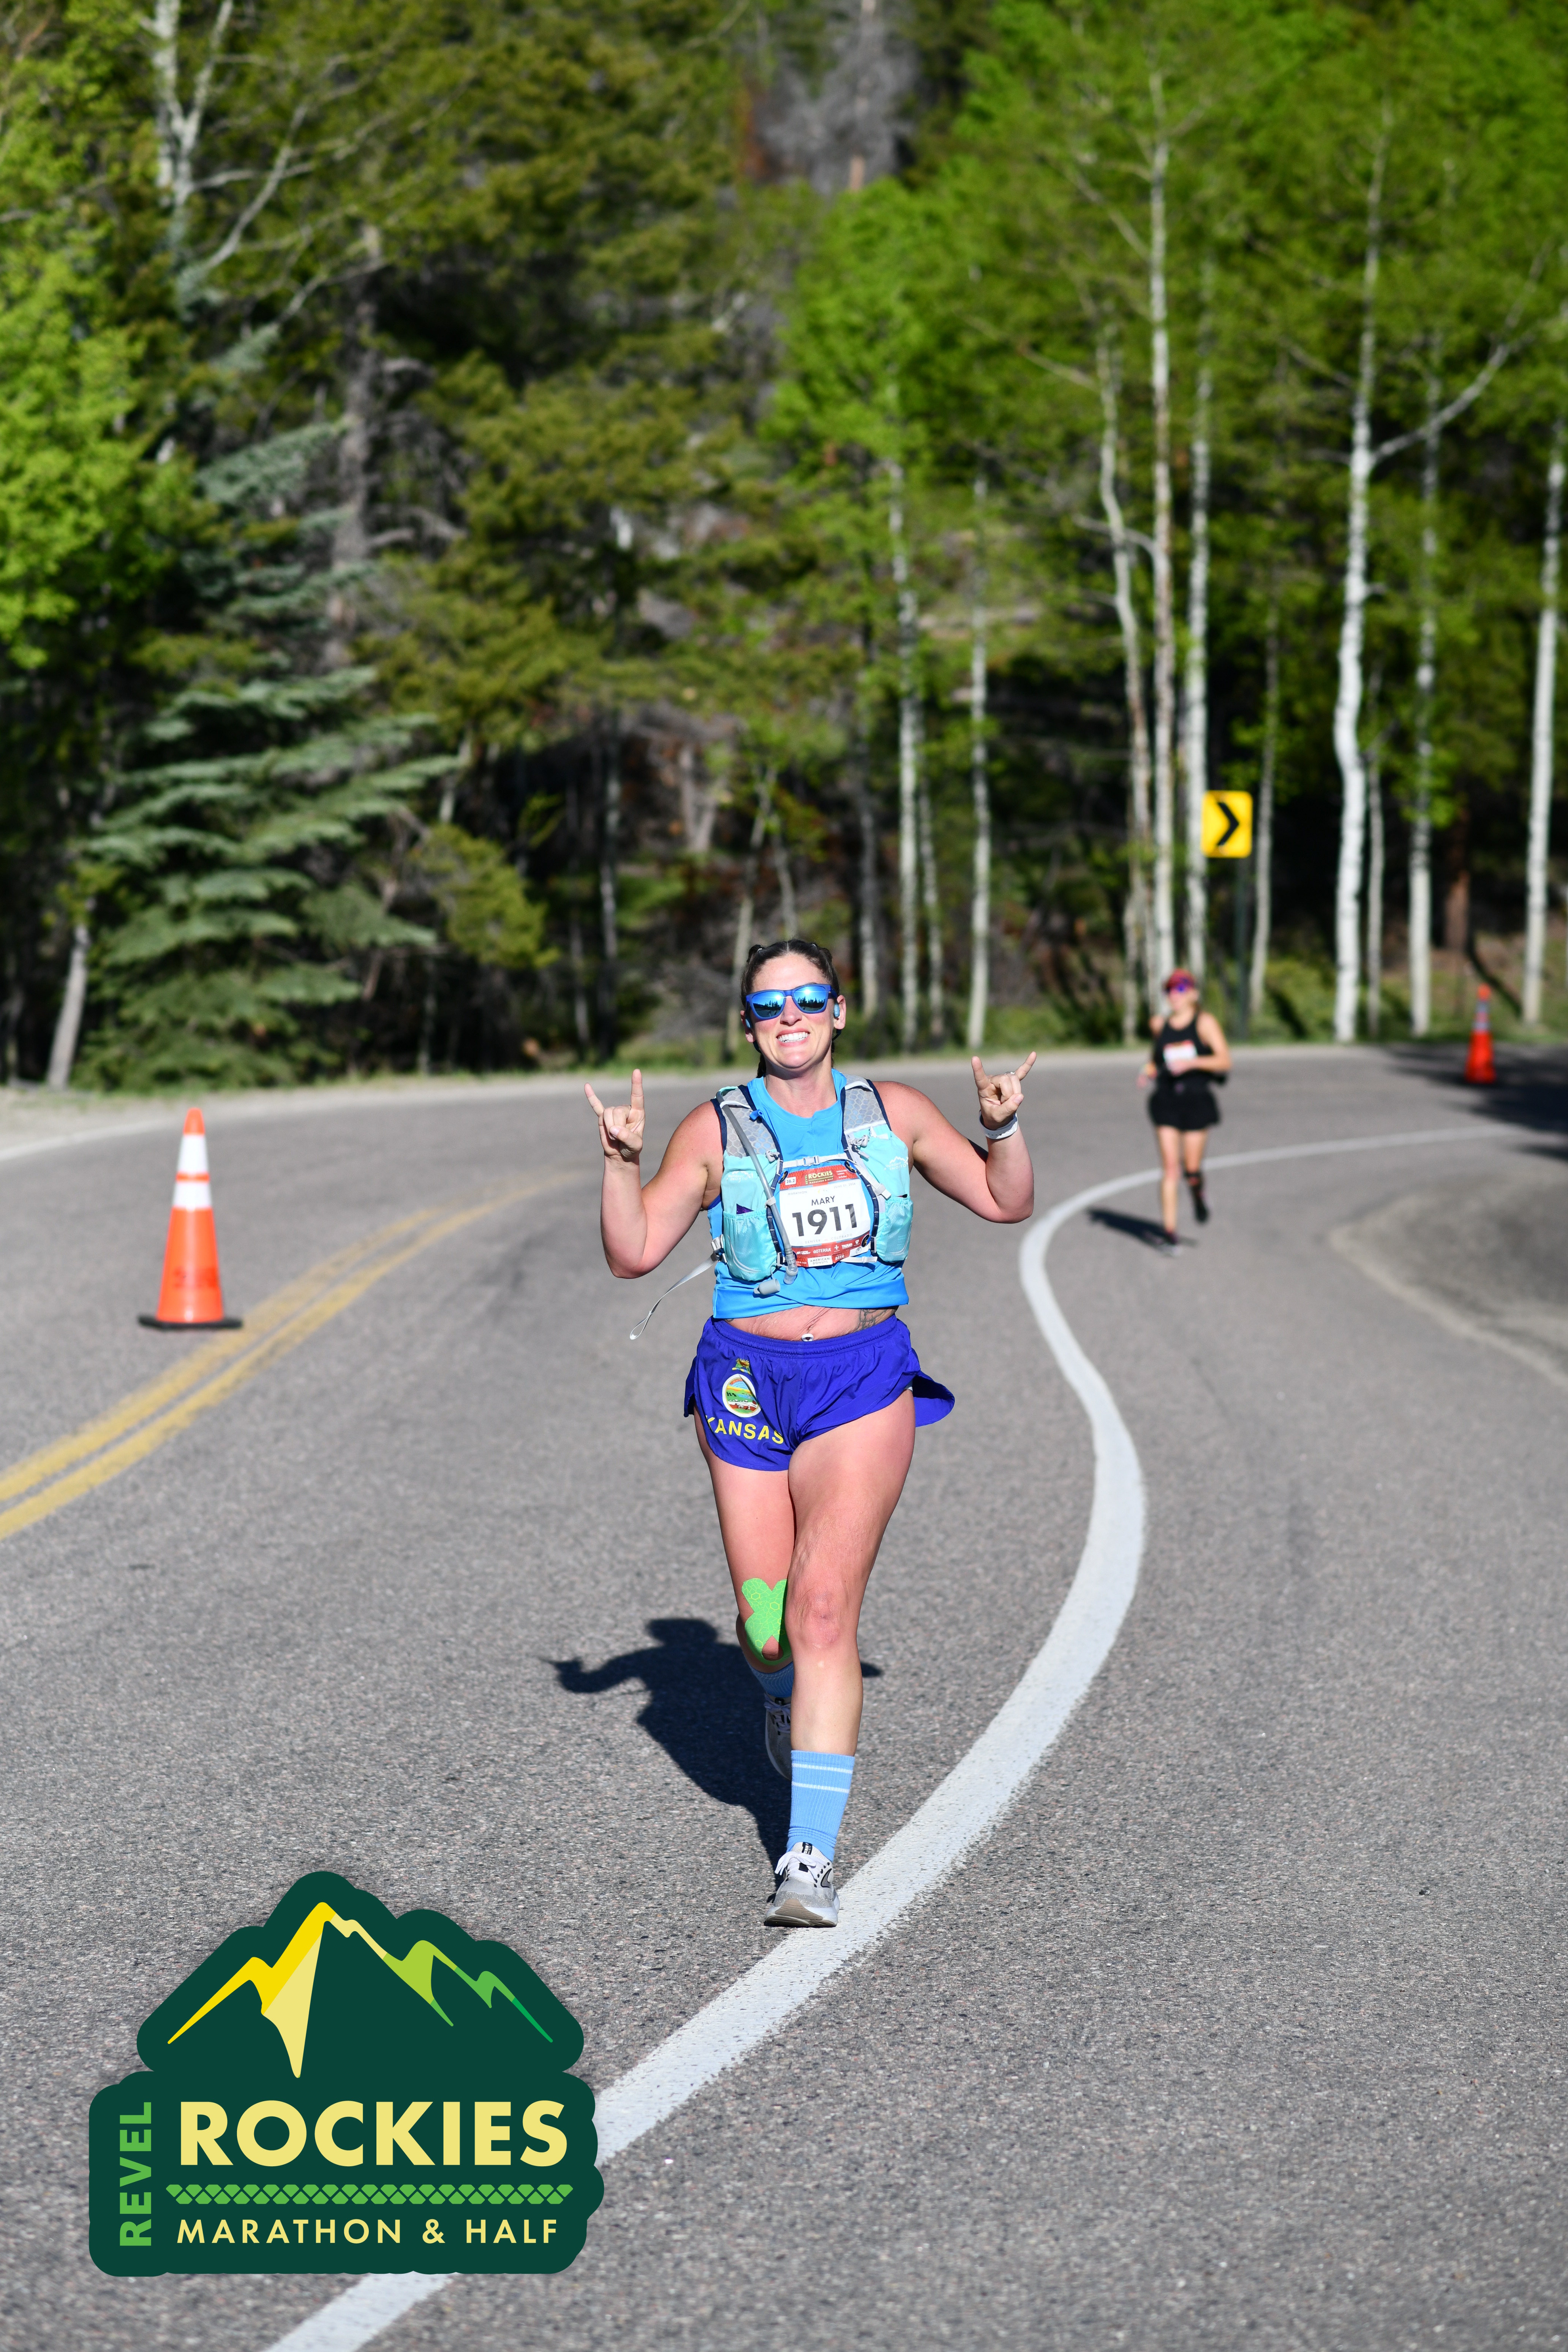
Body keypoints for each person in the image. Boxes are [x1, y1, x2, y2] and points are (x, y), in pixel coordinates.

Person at [585, 937, 1037, 1929]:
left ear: (838, 1010)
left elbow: (1007, 1201)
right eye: (767, 1005)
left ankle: (809, 1857)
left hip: (860, 1382)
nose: (788, 1016)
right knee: (766, 1629)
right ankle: (780, 1693)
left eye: (807, 998)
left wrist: (1003, 1127)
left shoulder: (893, 1114)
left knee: (824, 1610)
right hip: (744, 1388)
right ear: (749, 1026)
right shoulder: (715, 1128)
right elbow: (634, 1252)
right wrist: (620, 1163)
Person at [1137, 967, 1231, 1251]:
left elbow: (1224, 1061)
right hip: (1166, 1100)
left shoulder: (1205, 1023)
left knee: (1191, 1169)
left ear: (1193, 993)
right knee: (1171, 1169)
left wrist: (1192, 1063)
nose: (1174, 995)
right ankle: (1170, 1233)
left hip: (1196, 1100)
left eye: (1180, 989)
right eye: (1169, 989)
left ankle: (1198, 1193)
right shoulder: (1159, 1024)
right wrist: (1148, 1071)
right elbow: (1156, 1058)